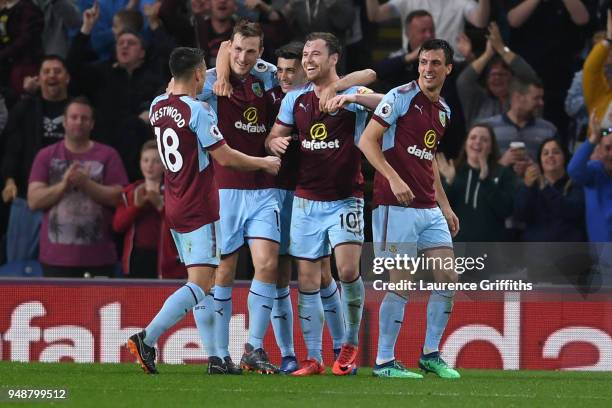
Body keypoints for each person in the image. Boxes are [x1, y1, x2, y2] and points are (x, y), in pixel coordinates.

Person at [127, 46, 280, 375]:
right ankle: (147, 337)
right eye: (203, 72)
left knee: (205, 284)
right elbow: (225, 158)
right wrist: (264, 162)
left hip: (174, 205)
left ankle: (217, 358)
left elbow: (171, 92)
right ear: (199, 74)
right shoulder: (199, 111)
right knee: (199, 284)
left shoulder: (157, 106)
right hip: (199, 204)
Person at [267, 32, 382, 376]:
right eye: (305, 54)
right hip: (306, 201)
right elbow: (274, 134)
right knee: (308, 281)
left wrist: (345, 94)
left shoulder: (353, 94)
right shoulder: (296, 100)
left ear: (333, 59)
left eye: (315, 54)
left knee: (347, 271)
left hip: (346, 198)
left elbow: (385, 98)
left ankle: (348, 343)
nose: (307, 60)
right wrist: (276, 144)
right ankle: (312, 358)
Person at [358, 38, 461, 379]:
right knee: (401, 280)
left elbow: (428, 159)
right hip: (395, 205)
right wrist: (392, 177)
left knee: (448, 275)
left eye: (435, 63)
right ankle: (385, 362)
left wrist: (445, 206)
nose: (427, 69)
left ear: (448, 68)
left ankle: (430, 354)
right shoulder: (400, 97)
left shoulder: (443, 111)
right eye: (423, 62)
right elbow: (367, 141)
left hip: (428, 207)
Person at [27, 96, 128, 277]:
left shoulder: (108, 155)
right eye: (74, 117)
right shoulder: (46, 155)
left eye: (84, 118)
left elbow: (120, 197)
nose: (79, 122)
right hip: (56, 259)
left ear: (92, 124)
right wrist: (64, 184)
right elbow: (34, 200)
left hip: (99, 258)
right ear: (64, 122)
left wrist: (86, 184)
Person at [1, 55, 72, 262]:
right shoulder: (24, 109)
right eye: (46, 72)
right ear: (38, 79)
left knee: (63, 266)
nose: (52, 76)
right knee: (19, 266)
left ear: (67, 78)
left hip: (68, 200)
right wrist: (9, 179)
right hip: (26, 197)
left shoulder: (78, 111)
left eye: (57, 71)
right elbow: (12, 149)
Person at [437, 123, 515, 242]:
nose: (477, 142)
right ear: (466, 144)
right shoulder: (452, 170)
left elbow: (506, 211)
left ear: (491, 147)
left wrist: (485, 180)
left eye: (484, 139)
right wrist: (449, 182)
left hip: (491, 248)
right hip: (457, 246)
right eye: (473, 137)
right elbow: (438, 212)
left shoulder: (503, 173)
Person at [456, 22, 538, 127]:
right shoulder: (479, 100)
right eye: (493, 75)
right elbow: (464, 82)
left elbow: (530, 77)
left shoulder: (525, 100)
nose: (497, 78)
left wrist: (501, 48)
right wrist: (487, 54)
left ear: (513, 78)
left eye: (502, 74)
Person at [515, 138, 586, 242]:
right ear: (539, 161)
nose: (550, 156)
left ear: (565, 157)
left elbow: (572, 211)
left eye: (556, 152)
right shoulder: (530, 185)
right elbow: (521, 215)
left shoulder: (575, 183)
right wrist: (527, 187)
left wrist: (545, 187)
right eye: (545, 153)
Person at [365, 0, 490, 59]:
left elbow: (480, 21)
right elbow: (376, 15)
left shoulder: (461, 2)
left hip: (450, 67)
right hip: (413, 63)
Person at [483, 77, 557, 177]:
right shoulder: (488, 128)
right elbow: (478, 168)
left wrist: (535, 169)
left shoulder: (549, 130)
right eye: (536, 98)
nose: (541, 103)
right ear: (517, 97)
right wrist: (502, 163)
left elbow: (558, 172)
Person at [113, 140, 165, 278]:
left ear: (166, 164)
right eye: (146, 160)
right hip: (136, 258)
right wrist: (136, 207)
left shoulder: (174, 193)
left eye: (156, 161)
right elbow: (118, 225)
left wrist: (160, 206)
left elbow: (181, 226)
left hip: (165, 258)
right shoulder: (129, 192)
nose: (150, 165)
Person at [374, 9, 435, 91]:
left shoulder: (443, 57)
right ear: (408, 33)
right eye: (423, 31)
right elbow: (378, 71)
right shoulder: (401, 57)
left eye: (431, 30)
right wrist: (410, 57)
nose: (429, 35)